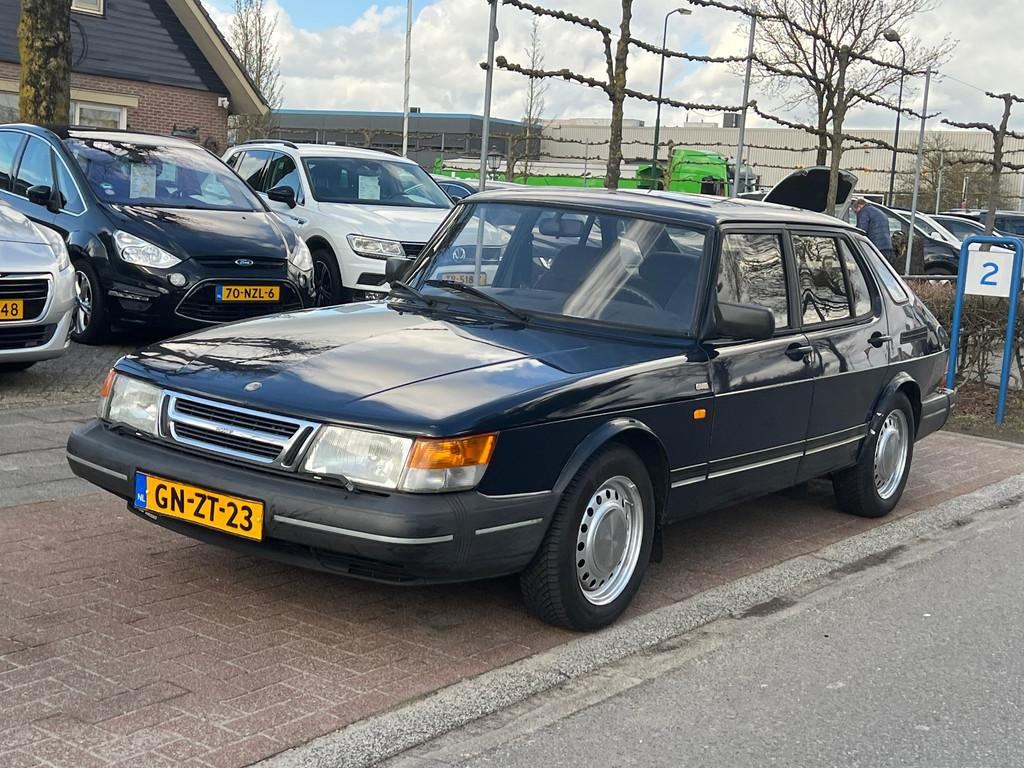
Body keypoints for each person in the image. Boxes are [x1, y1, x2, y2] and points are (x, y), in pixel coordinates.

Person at [852, 197, 893, 263]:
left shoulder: (863, 212)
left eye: (856, 211)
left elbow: (861, 231)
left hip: (875, 247)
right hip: (887, 246)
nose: (856, 214)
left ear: (859, 206)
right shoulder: (879, 211)